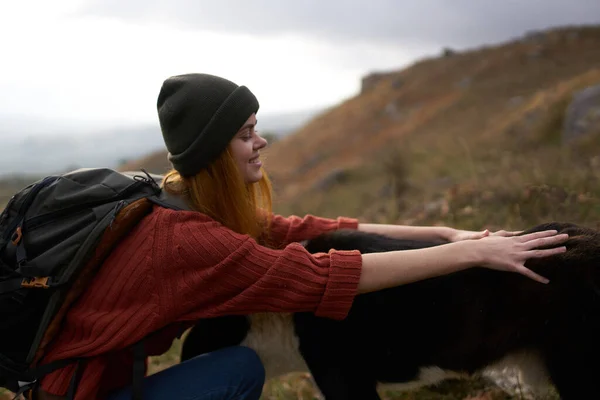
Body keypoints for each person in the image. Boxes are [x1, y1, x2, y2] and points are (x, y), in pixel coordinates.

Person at [35, 73, 568, 400]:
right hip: (80, 395)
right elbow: (317, 277)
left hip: (86, 383)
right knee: (239, 370)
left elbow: (306, 231)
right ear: (215, 151)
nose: (261, 141)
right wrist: (468, 254)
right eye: (245, 134)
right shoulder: (186, 241)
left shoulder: (178, 198)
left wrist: (443, 231)